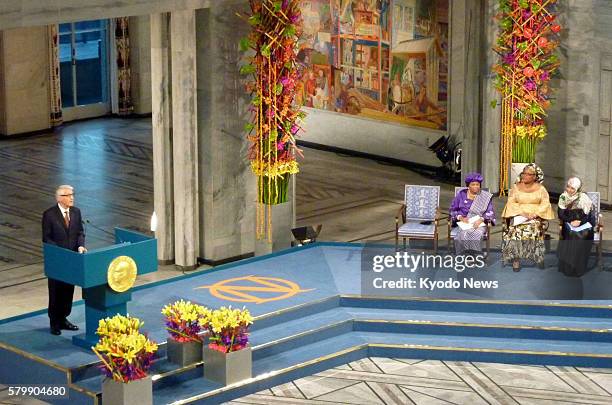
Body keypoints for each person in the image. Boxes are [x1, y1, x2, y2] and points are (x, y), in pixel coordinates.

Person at [42, 185, 87, 335]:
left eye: (72, 194)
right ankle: (54, 322)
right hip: (57, 261)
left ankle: (63, 319)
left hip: (73, 260)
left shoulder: (76, 212)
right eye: (68, 195)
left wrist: (81, 246)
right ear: (60, 198)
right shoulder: (49, 215)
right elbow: (47, 238)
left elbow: (80, 232)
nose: (72, 197)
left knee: (68, 291)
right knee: (56, 292)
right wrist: (61, 253)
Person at [501, 164, 555, 271]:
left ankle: (537, 257)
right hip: (519, 216)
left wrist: (535, 213)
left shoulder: (541, 189)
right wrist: (522, 213)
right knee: (516, 230)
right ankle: (516, 259)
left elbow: (545, 203)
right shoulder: (516, 187)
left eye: (528, 174)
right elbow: (511, 202)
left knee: (532, 229)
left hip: (534, 217)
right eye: (523, 173)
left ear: (535, 176)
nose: (524, 176)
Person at [449, 173, 495, 255]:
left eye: (478, 184)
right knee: (464, 234)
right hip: (465, 222)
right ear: (468, 185)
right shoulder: (461, 194)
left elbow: (490, 212)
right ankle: (467, 254)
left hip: (479, 222)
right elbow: (452, 210)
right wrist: (461, 218)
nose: (476, 186)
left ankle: (475, 254)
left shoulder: (484, 196)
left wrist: (481, 220)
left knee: (477, 234)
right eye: (473, 184)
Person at [557, 176, 594, 277]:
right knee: (571, 234)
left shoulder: (584, 198)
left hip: (583, 224)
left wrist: (580, 222)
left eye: (572, 188)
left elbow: (589, 216)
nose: (569, 190)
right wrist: (571, 221)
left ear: (577, 189)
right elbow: (561, 214)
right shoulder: (563, 197)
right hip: (569, 223)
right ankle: (568, 269)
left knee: (583, 235)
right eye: (568, 186)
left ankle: (578, 269)